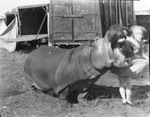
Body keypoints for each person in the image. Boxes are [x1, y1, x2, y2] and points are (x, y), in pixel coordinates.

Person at [112, 25, 149, 106]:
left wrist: (147, 58)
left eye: (141, 34)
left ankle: (128, 99)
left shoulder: (139, 42)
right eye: (138, 33)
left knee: (128, 83)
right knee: (122, 83)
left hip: (129, 64)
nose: (141, 35)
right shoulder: (127, 40)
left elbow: (141, 53)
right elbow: (118, 44)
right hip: (121, 63)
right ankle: (123, 99)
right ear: (133, 34)